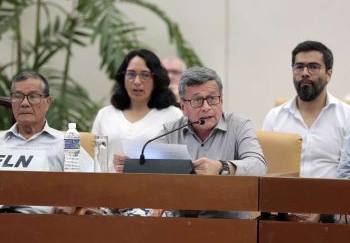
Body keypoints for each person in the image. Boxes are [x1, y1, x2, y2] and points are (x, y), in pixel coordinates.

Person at [114, 66, 267, 219]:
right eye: (197, 101)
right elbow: (150, 170)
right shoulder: (171, 131)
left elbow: (259, 166)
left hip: (229, 224)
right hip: (180, 226)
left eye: (212, 99)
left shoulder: (239, 126)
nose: (206, 108)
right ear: (183, 107)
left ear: (221, 100)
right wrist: (130, 165)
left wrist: (222, 167)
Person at [263, 40, 350, 222]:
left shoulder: (346, 117)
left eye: (313, 67)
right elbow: (266, 173)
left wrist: (323, 213)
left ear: (329, 74)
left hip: (332, 219)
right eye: (299, 67)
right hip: (283, 217)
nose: (304, 73)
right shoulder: (275, 117)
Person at [92, 49, 183, 216]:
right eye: (131, 74)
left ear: (156, 78)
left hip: (152, 201)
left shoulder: (173, 115)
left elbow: (180, 166)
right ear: (123, 77)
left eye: (145, 75)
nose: (137, 81)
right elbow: (95, 160)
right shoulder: (105, 114)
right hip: (107, 199)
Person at [0, 71, 94, 214]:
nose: (24, 103)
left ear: (48, 102)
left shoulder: (67, 141)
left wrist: (72, 202)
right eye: (18, 97)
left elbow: (94, 184)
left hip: (41, 226)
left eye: (33, 97)